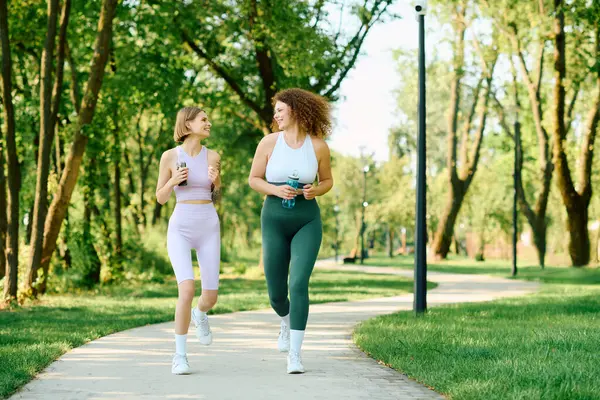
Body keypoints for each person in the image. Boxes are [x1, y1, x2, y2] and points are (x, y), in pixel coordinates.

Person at [248, 88, 334, 374]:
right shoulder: (269, 143)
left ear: (295, 111)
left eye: (280, 111)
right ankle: (285, 322)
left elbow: (327, 181)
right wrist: (275, 188)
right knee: (276, 294)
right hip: (273, 217)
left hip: (307, 219)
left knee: (298, 284)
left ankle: (295, 354)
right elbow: (254, 179)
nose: (276, 116)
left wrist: (314, 191)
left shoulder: (318, 146)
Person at [155, 106, 222, 375]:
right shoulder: (170, 156)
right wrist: (172, 181)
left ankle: (201, 314)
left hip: (208, 225)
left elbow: (217, 197)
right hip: (180, 226)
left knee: (211, 297)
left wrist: (216, 183)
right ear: (188, 123)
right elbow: (160, 197)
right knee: (187, 289)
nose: (209, 123)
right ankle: (179, 356)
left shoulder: (213, 156)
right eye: (204, 119)